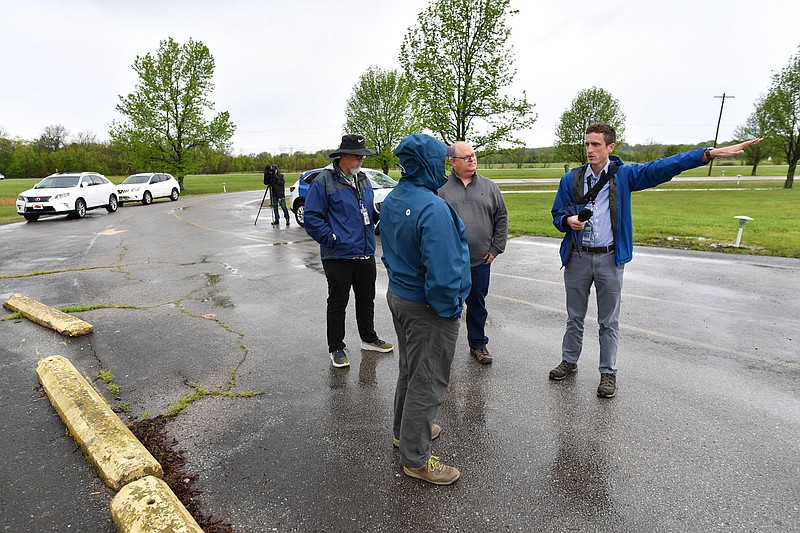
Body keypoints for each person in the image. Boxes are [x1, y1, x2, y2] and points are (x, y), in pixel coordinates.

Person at [550, 123, 762, 398]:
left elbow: (663, 166)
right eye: (587, 144)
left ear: (610, 147)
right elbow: (557, 215)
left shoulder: (623, 175)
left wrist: (707, 154)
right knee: (574, 317)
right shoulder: (571, 180)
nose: (590, 149)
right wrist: (568, 221)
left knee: (609, 321)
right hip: (578, 257)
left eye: (596, 145)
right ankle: (569, 361)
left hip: (610, 258)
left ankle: (608, 373)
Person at [380, 133, 471, 485]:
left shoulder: (395, 198)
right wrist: (449, 310)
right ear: (428, 164)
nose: (446, 166)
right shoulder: (432, 208)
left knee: (410, 369)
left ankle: (405, 433)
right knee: (428, 379)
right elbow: (445, 273)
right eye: (442, 160)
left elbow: (389, 252)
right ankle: (416, 458)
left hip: (400, 297)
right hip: (428, 307)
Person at [304, 134, 394, 368]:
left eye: (363, 155)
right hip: (338, 255)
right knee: (338, 302)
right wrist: (331, 238)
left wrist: (378, 216)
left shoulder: (362, 179)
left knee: (367, 299)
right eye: (357, 155)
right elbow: (312, 217)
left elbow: (366, 210)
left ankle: (369, 338)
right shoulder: (323, 181)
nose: (361, 159)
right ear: (343, 155)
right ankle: (336, 347)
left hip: (364, 252)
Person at [439, 142, 508, 365]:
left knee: (477, 305)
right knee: (447, 306)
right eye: (466, 157)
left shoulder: (489, 187)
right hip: (450, 263)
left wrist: (496, 248)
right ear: (452, 161)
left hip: (480, 261)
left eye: (473, 155)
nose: (472, 160)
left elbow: (501, 218)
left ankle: (478, 345)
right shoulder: (440, 189)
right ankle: (442, 349)